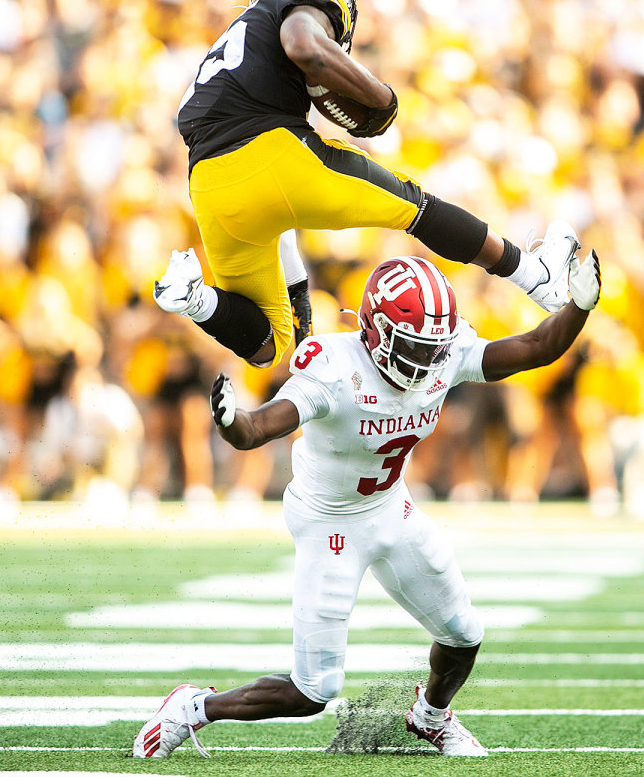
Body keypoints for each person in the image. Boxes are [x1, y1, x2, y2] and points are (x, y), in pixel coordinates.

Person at [133, 247, 601, 759]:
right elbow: (261, 427)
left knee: (464, 635)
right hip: (328, 521)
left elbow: (536, 347)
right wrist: (232, 422)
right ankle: (194, 707)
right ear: (375, 332)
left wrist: (578, 305)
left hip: (390, 507)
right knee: (314, 690)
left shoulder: (444, 352)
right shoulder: (336, 369)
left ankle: (431, 718)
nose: (425, 361)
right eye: (413, 347)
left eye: (432, 348)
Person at [154, 0, 579, 368]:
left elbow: (281, 232)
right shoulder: (297, 1)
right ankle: (535, 276)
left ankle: (195, 300)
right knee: (418, 208)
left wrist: (305, 335)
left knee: (268, 344)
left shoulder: (234, 40)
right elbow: (303, 46)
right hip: (272, 150)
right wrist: (382, 97)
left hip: (208, 186)